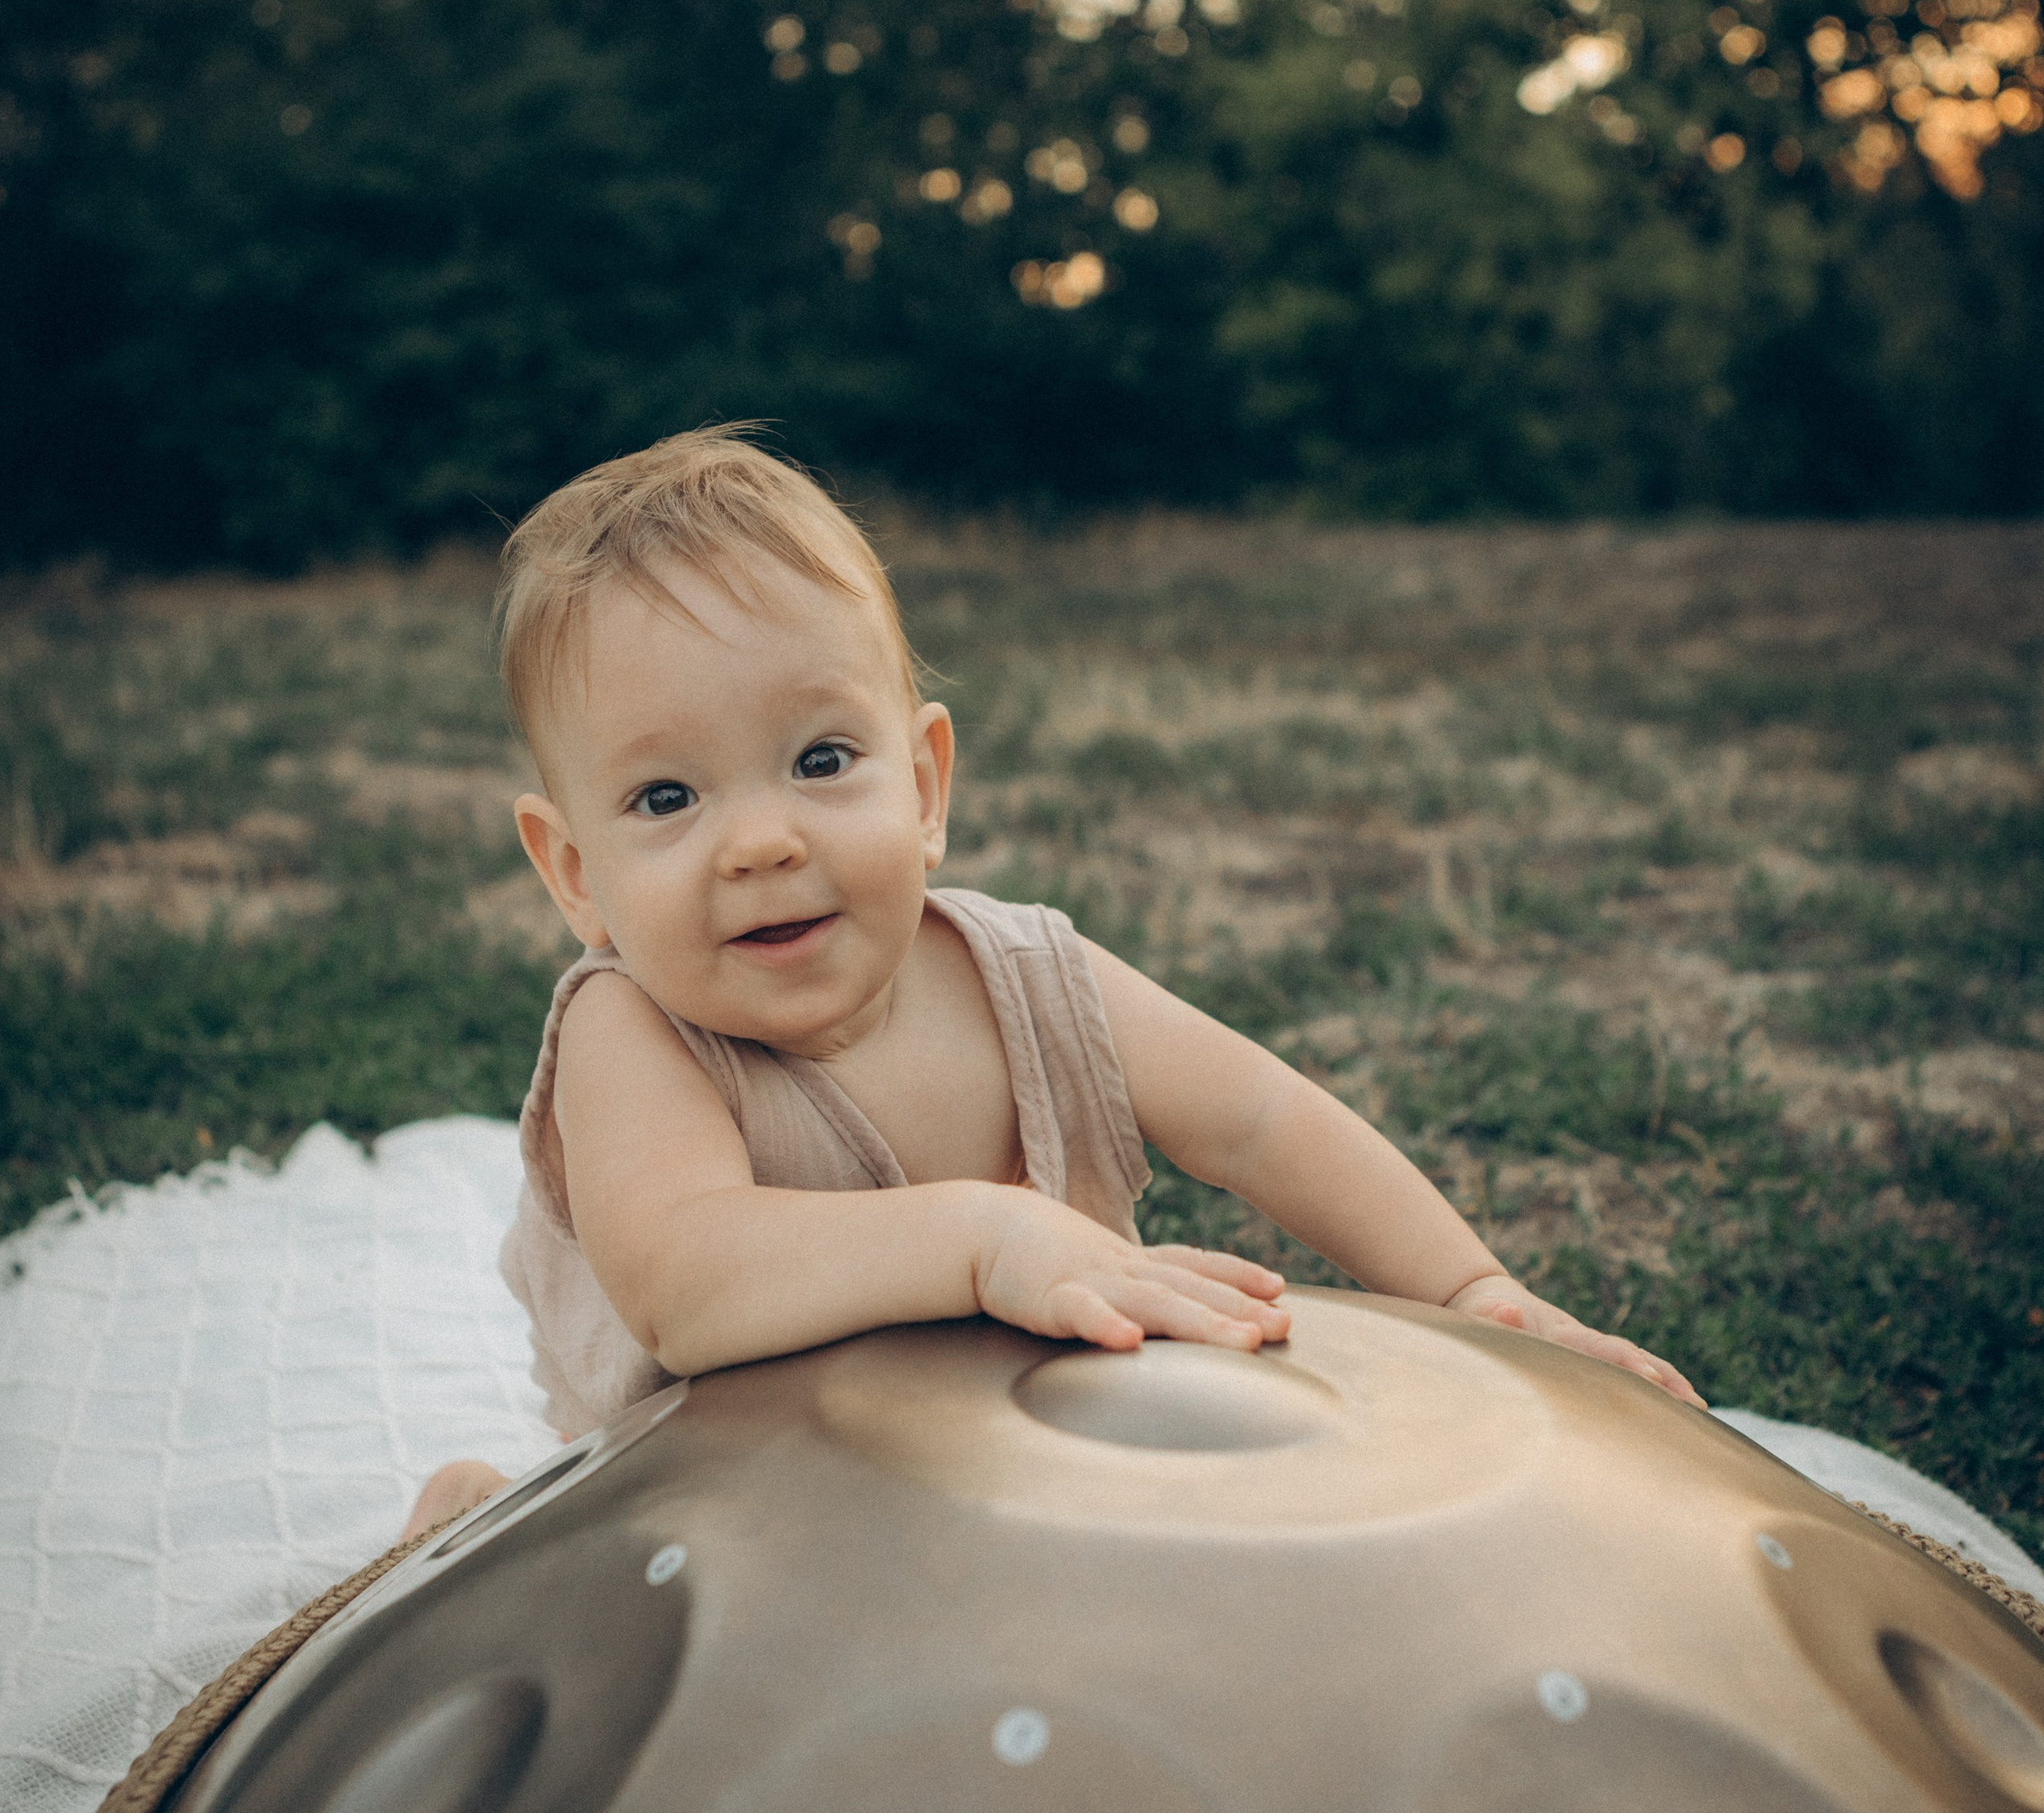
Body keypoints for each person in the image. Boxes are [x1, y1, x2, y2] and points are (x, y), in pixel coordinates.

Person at [401, 428, 1696, 1538]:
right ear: (575, 875)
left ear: (926, 787)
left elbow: (1263, 1120)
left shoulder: (1028, 976)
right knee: (583, 1623)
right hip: (712, 1518)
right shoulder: (632, 1032)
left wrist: (1468, 1290)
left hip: (1031, 1479)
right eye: (666, 797)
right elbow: (686, 1282)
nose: (761, 841)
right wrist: (987, 1239)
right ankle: (479, 1524)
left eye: (821, 759)